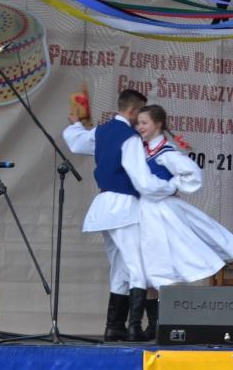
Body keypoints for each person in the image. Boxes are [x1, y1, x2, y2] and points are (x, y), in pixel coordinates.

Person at [62, 89, 178, 341]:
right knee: (137, 266)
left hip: (104, 206)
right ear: (134, 111)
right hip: (124, 207)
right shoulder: (131, 138)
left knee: (120, 266)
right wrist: (170, 187)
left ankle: (114, 326)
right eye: (141, 114)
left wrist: (75, 125)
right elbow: (143, 179)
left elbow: (76, 142)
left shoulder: (102, 132)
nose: (141, 120)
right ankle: (133, 326)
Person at [134, 105, 233, 339]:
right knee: (148, 270)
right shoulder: (142, 151)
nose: (140, 127)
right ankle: (153, 324)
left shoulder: (167, 153)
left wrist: (169, 187)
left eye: (144, 122)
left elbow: (193, 175)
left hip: (163, 213)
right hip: (144, 213)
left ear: (158, 124)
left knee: (166, 266)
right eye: (138, 123)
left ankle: (166, 322)